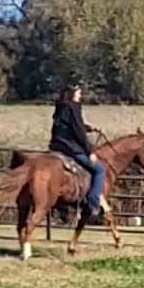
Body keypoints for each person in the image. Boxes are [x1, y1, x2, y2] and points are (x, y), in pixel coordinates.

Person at [49, 85, 108, 216]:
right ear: (72, 94)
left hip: (56, 145)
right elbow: (78, 132)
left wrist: (87, 127)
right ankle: (93, 204)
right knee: (99, 169)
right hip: (70, 147)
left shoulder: (61, 106)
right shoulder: (74, 107)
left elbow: (69, 125)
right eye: (78, 93)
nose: (80, 95)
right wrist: (90, 151)